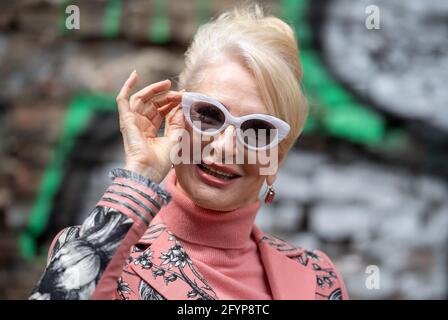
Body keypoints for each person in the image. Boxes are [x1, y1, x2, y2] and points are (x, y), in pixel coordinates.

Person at [30, 3, 348, 300]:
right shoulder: (99, 251)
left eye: (256, 130)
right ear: (175, 118)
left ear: (275, 158)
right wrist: (141, 173)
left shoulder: (316, 278)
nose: (225, 147)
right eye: (209, 114)